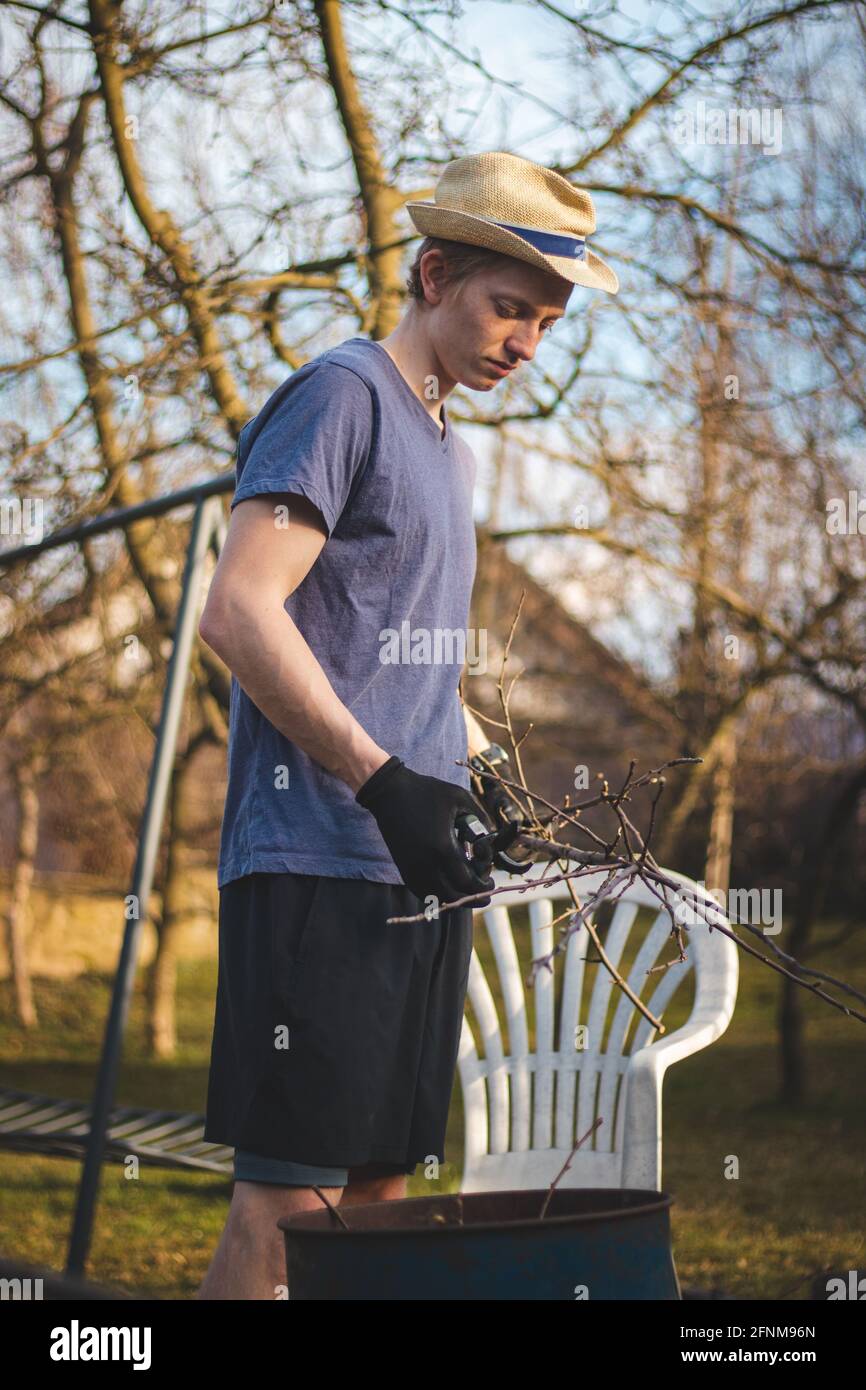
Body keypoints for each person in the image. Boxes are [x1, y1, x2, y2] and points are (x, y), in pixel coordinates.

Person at [195, 150, 618, 1299]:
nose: (525, 342)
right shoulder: (342, 395)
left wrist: (477, 775)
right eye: (507, 308)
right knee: (293, 1206)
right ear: (434, 273)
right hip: (317, 856)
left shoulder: (452, 450)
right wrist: (385, 778)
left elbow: (400, 651)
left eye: (544, 323)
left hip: (415, 873)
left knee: (378, 1199)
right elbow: (236, 612)